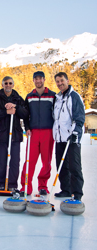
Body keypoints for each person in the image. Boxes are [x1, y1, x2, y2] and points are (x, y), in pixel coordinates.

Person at [20, 71, 56, 196]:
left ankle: (42, 186)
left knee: (46, 162)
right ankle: (26, 187)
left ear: (44, 80)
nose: (38, 81)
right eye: (36, 79)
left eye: (40, 79)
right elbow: (25, 115)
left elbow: (57, 114)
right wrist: (27, 127)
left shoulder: (52, 96)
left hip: (48, 132)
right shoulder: (29, 97)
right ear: (33, 80)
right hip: (33, 132)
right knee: (29, 161)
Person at [0, 76, 29, 191]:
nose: (8, 85)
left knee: (14, 162)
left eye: (10, 83)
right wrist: (6, 111)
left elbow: (26, 114)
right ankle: (2, 184)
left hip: (15, 135)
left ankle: (12, 185)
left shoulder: (18, 98)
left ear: (13, 84)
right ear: (2, 85)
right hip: (1, 135)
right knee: (2, 161)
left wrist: (16, 107)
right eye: (5, 83)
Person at [53, 72, 85, 201]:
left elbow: (79, 117)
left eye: (62, 81)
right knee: (61, 166)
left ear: (67, 80)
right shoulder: (57, 98)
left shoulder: (74, 96)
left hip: (71, 138)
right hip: (60, 138)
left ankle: (77, 193)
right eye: (57, 81)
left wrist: (75, 133)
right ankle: (66, 190)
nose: (60, 83)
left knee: (74, 166)